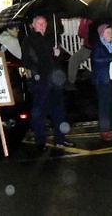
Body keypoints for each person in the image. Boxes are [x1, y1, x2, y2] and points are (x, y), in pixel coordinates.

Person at [21, 15, 73, 150]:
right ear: (33, 25)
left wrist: (58, 53)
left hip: (55, 79)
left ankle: (60, 139)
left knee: (58, 110)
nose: (42, 26)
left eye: (44, 23)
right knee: (40, 111)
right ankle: (40, 141)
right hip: (41, 81)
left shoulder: (51, 38)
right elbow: (27, 60)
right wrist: (38, 72)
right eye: (38, 23)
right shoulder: (29, 40)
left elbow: (59, 58)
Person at [91, 24, 112, 141]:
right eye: (108, 32)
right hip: (103, 79)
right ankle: (104, 130)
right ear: (102, 34)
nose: (110, 35)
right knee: (104, 104)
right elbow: (96, 60)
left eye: (111, 32)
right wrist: (111, 56)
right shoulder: (98, 46)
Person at [66, 18, 93, 89]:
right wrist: (83, 23)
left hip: (97, 46)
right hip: (87, 47)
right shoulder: (85, 20)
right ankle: (71, 82)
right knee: (73, 59)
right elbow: (80, 34)